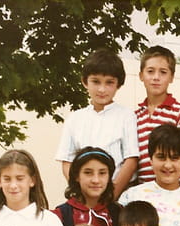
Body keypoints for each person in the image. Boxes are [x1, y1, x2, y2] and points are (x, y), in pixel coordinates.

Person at [55, 48, 139, 196]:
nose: (102, 89)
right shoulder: (75, 119)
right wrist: (81, 193)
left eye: (109, 83)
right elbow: (67, 161)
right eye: (96, 81)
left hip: (117, 195)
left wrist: (111, 196)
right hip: (83, 196)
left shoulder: (126, 116)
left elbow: (131, 160)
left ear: (118, 84)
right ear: (85, 82)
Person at [135, 45, 180, 186]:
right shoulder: (135, 117)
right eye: (150, 71)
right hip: (143, 191)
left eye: (163, 72)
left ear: (171, 77)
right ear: (141, 76)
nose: (156, 77)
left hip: (175, 190)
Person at [54, 147, 121, 226]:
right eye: (88, 173)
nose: (96, 180)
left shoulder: (118, 213)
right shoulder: (60, 215)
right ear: (76, 176)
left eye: (102, 173)